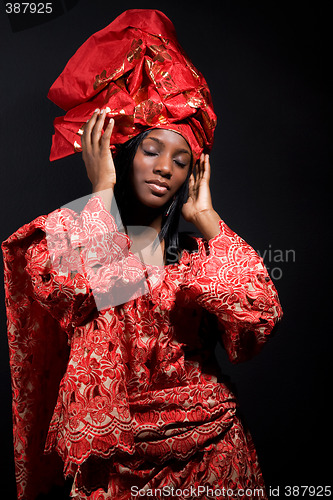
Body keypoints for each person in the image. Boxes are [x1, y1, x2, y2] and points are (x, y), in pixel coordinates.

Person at [2, 9, 283, 500]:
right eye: (152, 150)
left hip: (212, 463)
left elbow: (259, 317)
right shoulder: (66, 232)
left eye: (181, 160)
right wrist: (103, 190)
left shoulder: (198, 256)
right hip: (116, 473)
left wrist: (209, 219)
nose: (165, 169)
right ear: (123, 150)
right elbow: (78, 290)